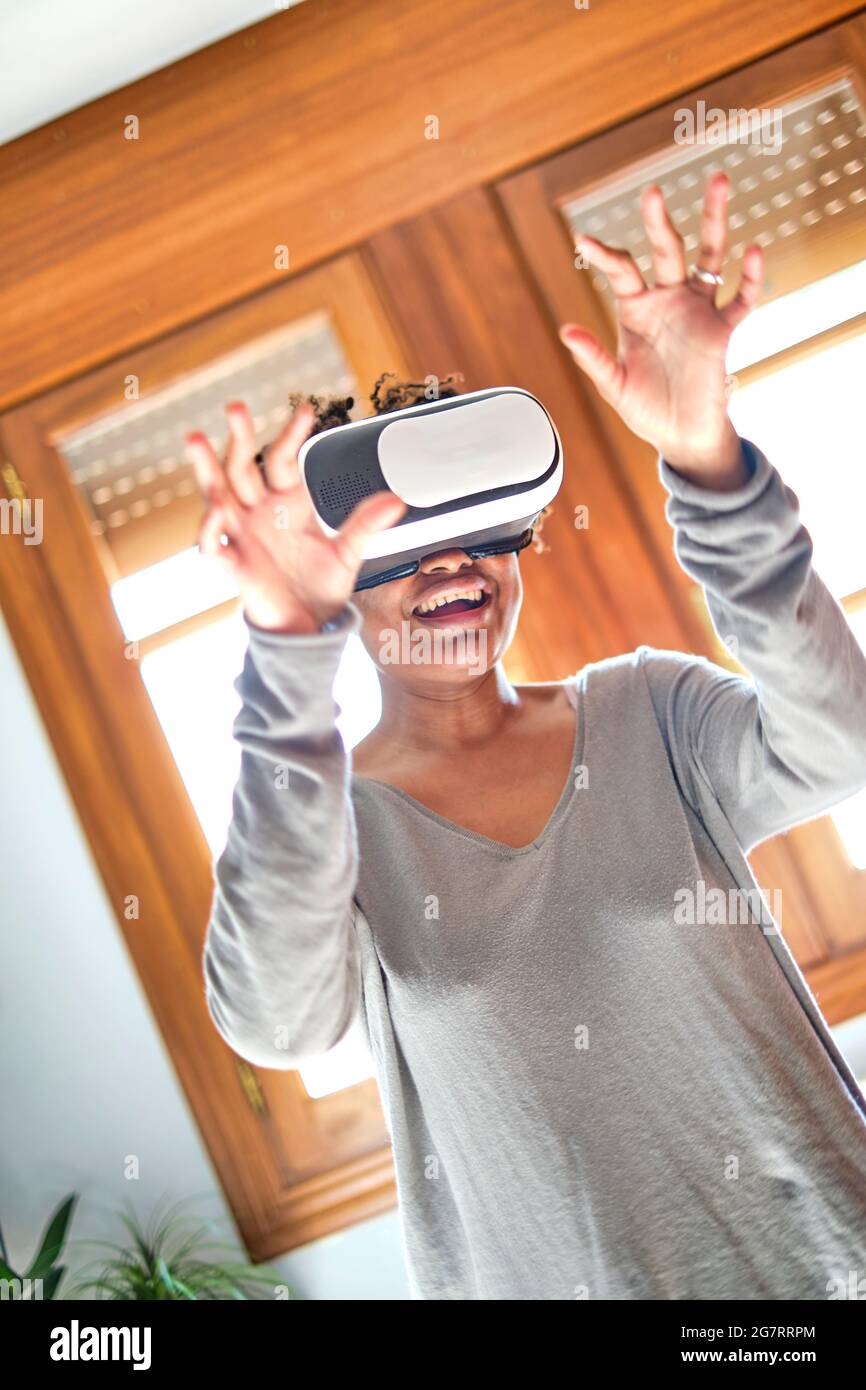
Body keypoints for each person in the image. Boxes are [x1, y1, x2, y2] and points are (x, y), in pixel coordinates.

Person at [187, 172, 866, 1300]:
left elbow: (836, 745)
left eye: (478, 529)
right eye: (404, 546)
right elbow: (276, 1022)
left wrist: (707, 459)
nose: (452, 565)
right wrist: (284, 651)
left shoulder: (647, 712)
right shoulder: (332, 837)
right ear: (340, 588)